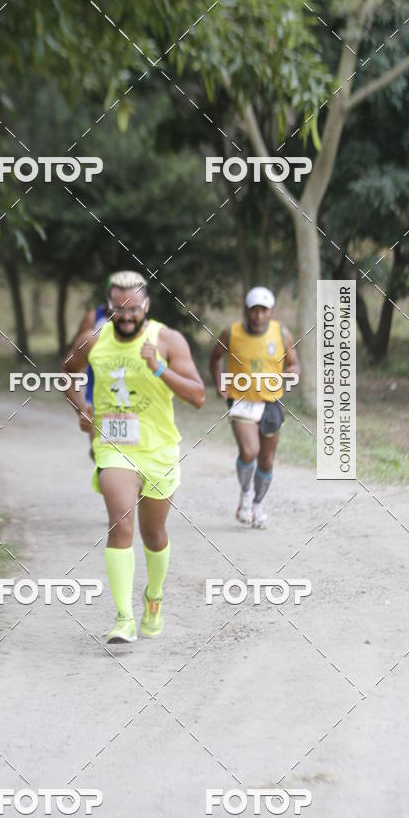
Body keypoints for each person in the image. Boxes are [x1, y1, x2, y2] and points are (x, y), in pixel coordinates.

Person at [64, 270, 205, 643]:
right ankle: (124, 617)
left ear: (146, 306)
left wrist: (159, 367)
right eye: (117, 309)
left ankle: (153, 597)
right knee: (120, 523)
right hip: (114, 447)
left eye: (133, 309)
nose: (125, 317)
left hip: (158, 450)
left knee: (153, 533)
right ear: (108, 306)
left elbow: (197, 396)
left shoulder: (168, 340)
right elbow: (69, 373)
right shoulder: (93, 339)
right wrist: (81, 406)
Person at [209, 286, 300, 528]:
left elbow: (293, 364)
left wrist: (290, 376)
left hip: (271, 403)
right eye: (254, 311)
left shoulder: (282, 334)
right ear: (246, 311)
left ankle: (258, 504)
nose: (258, 316)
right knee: (250, 451)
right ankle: (246, 495)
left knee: (267, 459)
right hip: (242, 401)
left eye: (263, 311)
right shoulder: (231, 333)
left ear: (271, 312)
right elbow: (215, 357)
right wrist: (220, 382)